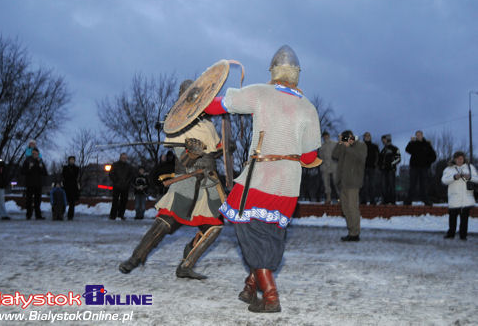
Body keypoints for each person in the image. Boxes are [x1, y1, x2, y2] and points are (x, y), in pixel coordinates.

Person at [204, 45, 321, 313]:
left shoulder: (261, 92)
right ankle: (250, 286)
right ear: (297, 74)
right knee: (270, 235)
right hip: (289, 185)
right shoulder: (309, 107)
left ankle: (270, 296)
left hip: (260, 178)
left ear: (273, 72)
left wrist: (197, 102)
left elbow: (219, 104)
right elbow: (309, 156)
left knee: (250, 231)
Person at [119, 79, 225, 280]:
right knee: (164, 222)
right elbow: (180, 156)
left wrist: (225, 150)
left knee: (213, 227)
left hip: (208, 183)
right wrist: (191, 154)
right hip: (186, 180)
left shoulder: (208, 125)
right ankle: (135, 258)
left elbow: (214, 152)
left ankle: (186, 265)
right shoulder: (177, 123)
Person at [332, 130, 367, 241]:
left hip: (353, 182)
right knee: (345, 208)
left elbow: (360, 158)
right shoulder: (343, 146)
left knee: (352, 207)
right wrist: (340, 143)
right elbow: (335, 155)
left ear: (351, 137)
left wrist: (348, 147)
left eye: (347, 138)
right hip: (343, 182)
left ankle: (355, 233)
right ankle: (351, 230)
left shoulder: (361, 145)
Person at [441, 151, 477, 240]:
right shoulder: (448, 169)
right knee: (452, 217)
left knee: (464, 219)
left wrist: (470, 177)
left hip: (466, 198)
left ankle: (463, 235)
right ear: (454, 159)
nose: (459, 160)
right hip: (454, 197)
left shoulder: (470, 167)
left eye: (461, 158)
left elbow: (477, 179)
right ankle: (451, 233)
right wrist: (454, 177)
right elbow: (444, 181)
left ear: (464, 159)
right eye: (457, 158)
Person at [404, 130, 436, 205]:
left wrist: (427, 163)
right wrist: (410, 142)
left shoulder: (427, 144)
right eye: (417, 135)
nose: (418, 136)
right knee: (412, 184)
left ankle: (426, 200)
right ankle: (409, 200)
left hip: (424, 168)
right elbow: (407, 150)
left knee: (423, 184)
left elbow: (434, 156)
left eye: (419, 135)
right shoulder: (413, 144)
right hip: (414, 167)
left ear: (422, 135)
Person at [21, 148, 47, 220]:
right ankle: (28, 215)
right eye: (33, 153)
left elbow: (45, 173)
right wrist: (29, 168)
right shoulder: (27, 160)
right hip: (29, 184)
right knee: (29, 200)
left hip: (38, 184)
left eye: (36, 154)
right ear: (31, 154)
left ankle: (38, 215)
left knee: (38, 200)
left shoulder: (40, 161)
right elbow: (23, 171)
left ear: (38, 154)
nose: (35, 155)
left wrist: (41, 167)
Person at [108, 153, 134, 220]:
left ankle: (121, 215)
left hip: (125, 186)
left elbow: (131, 175)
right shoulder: (115, 165)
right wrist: (116, 181)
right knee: (115, 201)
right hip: (117, 186)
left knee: (124, 201)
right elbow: (111, 174)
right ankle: (113, 215)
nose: (124, 159)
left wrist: (127, 182)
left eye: (125, 158)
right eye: (123, 157)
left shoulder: (129, 166)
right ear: (120, 157)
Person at [378, 134, 401, 204]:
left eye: (384, 139)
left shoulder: (395, 148)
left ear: (387, 139)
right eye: (382, 140)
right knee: (384, 186)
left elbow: (398, 159)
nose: (383, 141)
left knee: (391, 185)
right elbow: (379, 160)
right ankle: (384, 201)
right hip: (383, 171)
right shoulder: (382, 150)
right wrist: (380, 166)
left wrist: (391, 164)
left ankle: (392, 201)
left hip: (391, 170)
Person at [360, 132, 379, 205]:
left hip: (372, 168)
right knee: (363, 185)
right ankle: (363, 200)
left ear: (370, 137)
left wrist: (375, 164)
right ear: (364, 137)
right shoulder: (361, 146)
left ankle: (372, 200)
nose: (367, 137)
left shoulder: (374, 146)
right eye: (366, 136)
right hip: (362, 168)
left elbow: (378, 156)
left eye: (368, 136)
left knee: (372, 184)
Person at [318, 131, 338, 204]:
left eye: (326, 136)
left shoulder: (334, 144)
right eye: (324, 136)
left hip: (334, 166)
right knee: (326, 184)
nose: (325, 137)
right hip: (325, 167)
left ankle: (341, 198)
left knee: (336, 182)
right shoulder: (321, 146)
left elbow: (338, 153)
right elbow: (320, 156)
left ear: (329, 136)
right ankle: (328, 198)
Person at [62, 156, 79, 220]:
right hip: (66, 186)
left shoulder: (76, 168)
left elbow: (75, 176)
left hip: (73, 187)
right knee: (64, 201)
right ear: (68, 160)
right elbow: (64, 175)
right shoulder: (65, 167)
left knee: (72, 202)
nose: (72, 161)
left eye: (73, 160)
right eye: (71, 160)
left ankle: (70, 216)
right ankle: (61, 213)